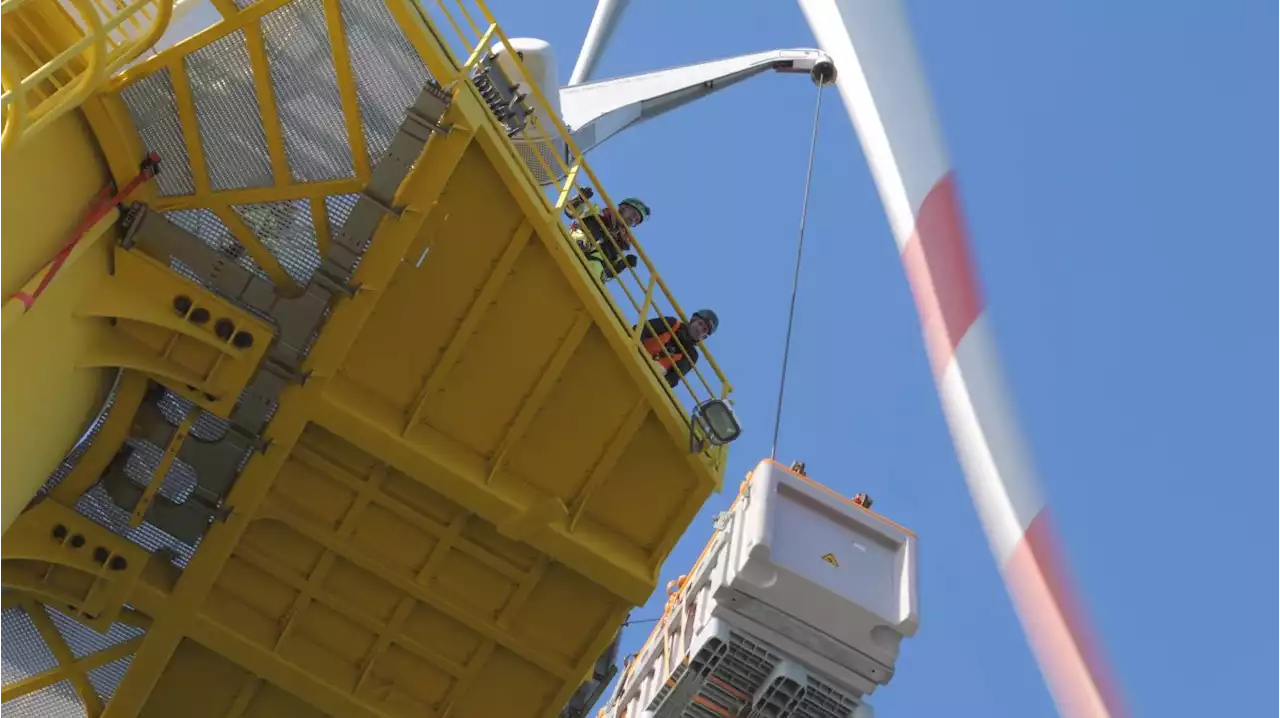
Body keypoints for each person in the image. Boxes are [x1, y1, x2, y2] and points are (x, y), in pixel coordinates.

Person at [564, 187, 650, 281]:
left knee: (597, 268)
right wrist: (579, 199)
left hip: (587, 270)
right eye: (633, 215)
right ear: (623, 208)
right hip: (571, 246)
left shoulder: (619, 245)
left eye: (636, 221)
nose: (633, 220)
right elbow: (572, 211)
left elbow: (609, 272)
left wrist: (623, 265)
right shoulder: (598, 212)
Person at [639, 309, 719, 389]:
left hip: (650, 378)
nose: (699, 329)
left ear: (704, 337)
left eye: (704, 329)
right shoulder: (672, 323)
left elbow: (673, 378)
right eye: (700, 324)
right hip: (635, 353)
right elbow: (642, 329)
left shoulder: (691, 355)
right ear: (693, 320)